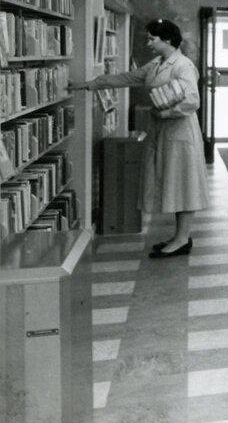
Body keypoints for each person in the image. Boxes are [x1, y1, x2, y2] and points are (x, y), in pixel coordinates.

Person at [70, 19, 208, 258]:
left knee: (184, 185)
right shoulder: (157, 63)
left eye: (152, 39)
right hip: (162, 131)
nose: (148, 43)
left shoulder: (183, 65)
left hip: (180, 132)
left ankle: (182, 239)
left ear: (167, 40)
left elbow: (192, 101)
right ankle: (179, 237)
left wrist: (165, 112)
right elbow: (127, 78)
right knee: (173, 184)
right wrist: (90, 85)